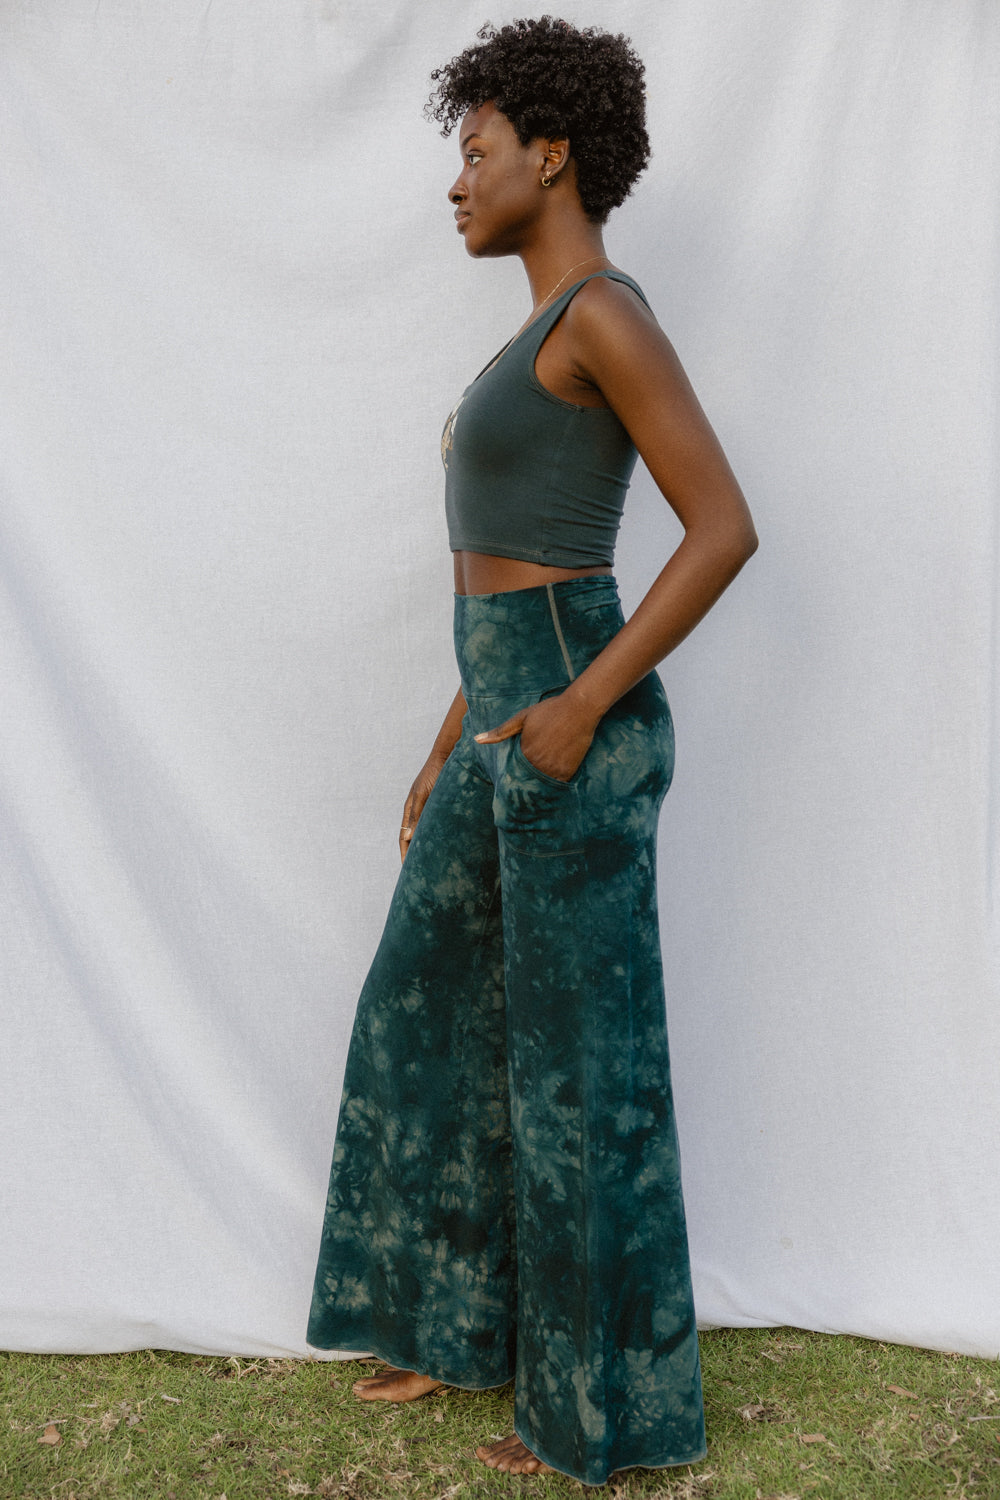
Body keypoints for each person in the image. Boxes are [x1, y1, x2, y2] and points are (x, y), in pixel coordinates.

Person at [307, 16, 757, 1487]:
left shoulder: (604, 315)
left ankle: (592, 1415)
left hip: (573, 727)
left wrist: (580, 708)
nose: (458, 180)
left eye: (477, 148)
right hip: (501, 713)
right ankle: (456, 1326)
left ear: (551, 154)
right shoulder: (533, 331)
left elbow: (722, 529)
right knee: (427, 1017)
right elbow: (493, 584)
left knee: (578, 1080)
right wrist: (450, 737)